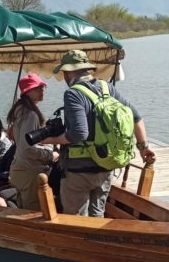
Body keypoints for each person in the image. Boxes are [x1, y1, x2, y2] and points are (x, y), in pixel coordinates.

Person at [43, 50, 155, 217]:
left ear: (68, 72)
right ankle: (97, 241)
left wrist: (50, 139)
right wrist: (143, 147)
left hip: (79, 170)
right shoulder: (106, 87)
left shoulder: (73, 93)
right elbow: (136, 117)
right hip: (106, 166)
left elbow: (79, 133)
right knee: (97, 214)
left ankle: (79, 243)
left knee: (76, 220)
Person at [7, 73, 59, 210]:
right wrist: (50, 155)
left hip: (20, 168)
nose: (42, 90)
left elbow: (17, 139)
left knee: (22, 209)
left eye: (42, 87)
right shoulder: (30, 114)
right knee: (31, 212)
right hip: (28, 171)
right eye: (37, 88)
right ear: (28, 92)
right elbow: (27, 148)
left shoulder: (20, 110)